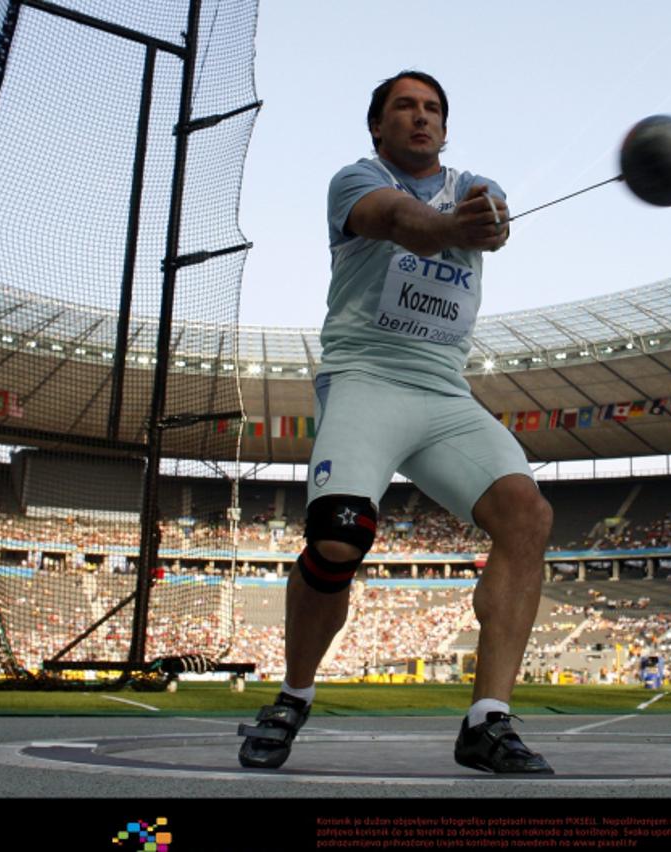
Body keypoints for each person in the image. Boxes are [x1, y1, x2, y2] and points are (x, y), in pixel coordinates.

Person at [238, 70, 554, 774]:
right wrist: (451, 229)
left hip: (443, 391)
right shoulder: (354, 180)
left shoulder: (474, 184)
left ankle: (488, 719)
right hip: (365, 380)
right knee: (340, 537)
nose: (421, 117)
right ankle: (293, 694)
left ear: (446, 126)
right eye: (404, 107)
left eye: (433, 108)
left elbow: (491, 217)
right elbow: (396, 220)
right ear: (377, 126)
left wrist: (487, 217)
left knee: (526, 513)